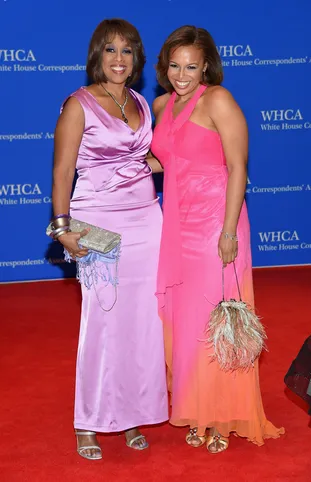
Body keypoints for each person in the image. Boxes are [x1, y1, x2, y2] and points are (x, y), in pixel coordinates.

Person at [150, 25, 284, 453]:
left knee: (217, 322)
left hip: (215, 225)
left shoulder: (219, 100)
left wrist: (228, 232)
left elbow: (238, 167)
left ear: (206, 65)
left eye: (191, 66)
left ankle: (222, 417)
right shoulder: (160, 105)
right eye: (175, 65)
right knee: (187, 324)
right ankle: (197, 409)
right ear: (164, 66)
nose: (182, 74)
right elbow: (161, 162)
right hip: (176, 227)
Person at [51, 18, 168, 460]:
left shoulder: (140, 101)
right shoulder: (78, 105)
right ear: (96, 56)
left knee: (142, 324)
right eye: (110, 50)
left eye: (127, 51)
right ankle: (89, 421)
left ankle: (132, 413)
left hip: (145, 221)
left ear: (136, 58)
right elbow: (63, 171)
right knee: (101, 321)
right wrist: (62, 227)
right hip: (97, 222)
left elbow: (145, 160)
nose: (119, 59)